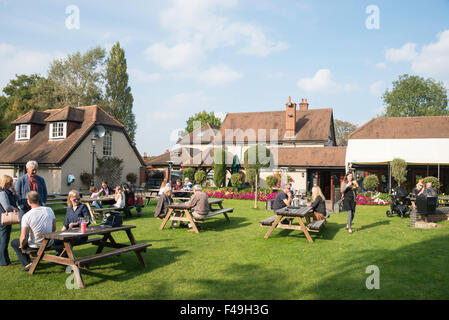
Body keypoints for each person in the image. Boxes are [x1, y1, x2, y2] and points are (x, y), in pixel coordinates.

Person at [11, 191, 56, 271]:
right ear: (38, 199)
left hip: (35, 245)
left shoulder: (27, 216)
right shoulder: (49, 210)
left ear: (28, 201)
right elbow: (54, 228)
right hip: (49, 242)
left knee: (15, 242)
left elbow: (24, 236)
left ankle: (27, 263)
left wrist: (22, 246)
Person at [54, 190, 90, 256]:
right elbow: (66, 223)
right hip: (71, 234)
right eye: (74, 199)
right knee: (56, 240)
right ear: (70, 199)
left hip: (81, 235)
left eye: (78, 199)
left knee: (67, 241)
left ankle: (64, 256)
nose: (76, 201)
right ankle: (61, 256)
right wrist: (60, 233)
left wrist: (75, 223)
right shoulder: (69, 209)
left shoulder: (83, 207)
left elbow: (87, 220)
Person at [0, 175, 18, 266]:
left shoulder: (3, 191)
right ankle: (4, 261)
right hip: (4, 219)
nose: (11, 184)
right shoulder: (2, 193)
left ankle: (3, 260)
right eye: (10, 183)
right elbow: (6, 207)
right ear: (6, 183)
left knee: (2, 239)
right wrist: (13, 208)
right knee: (4, 240)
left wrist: (14, 191)